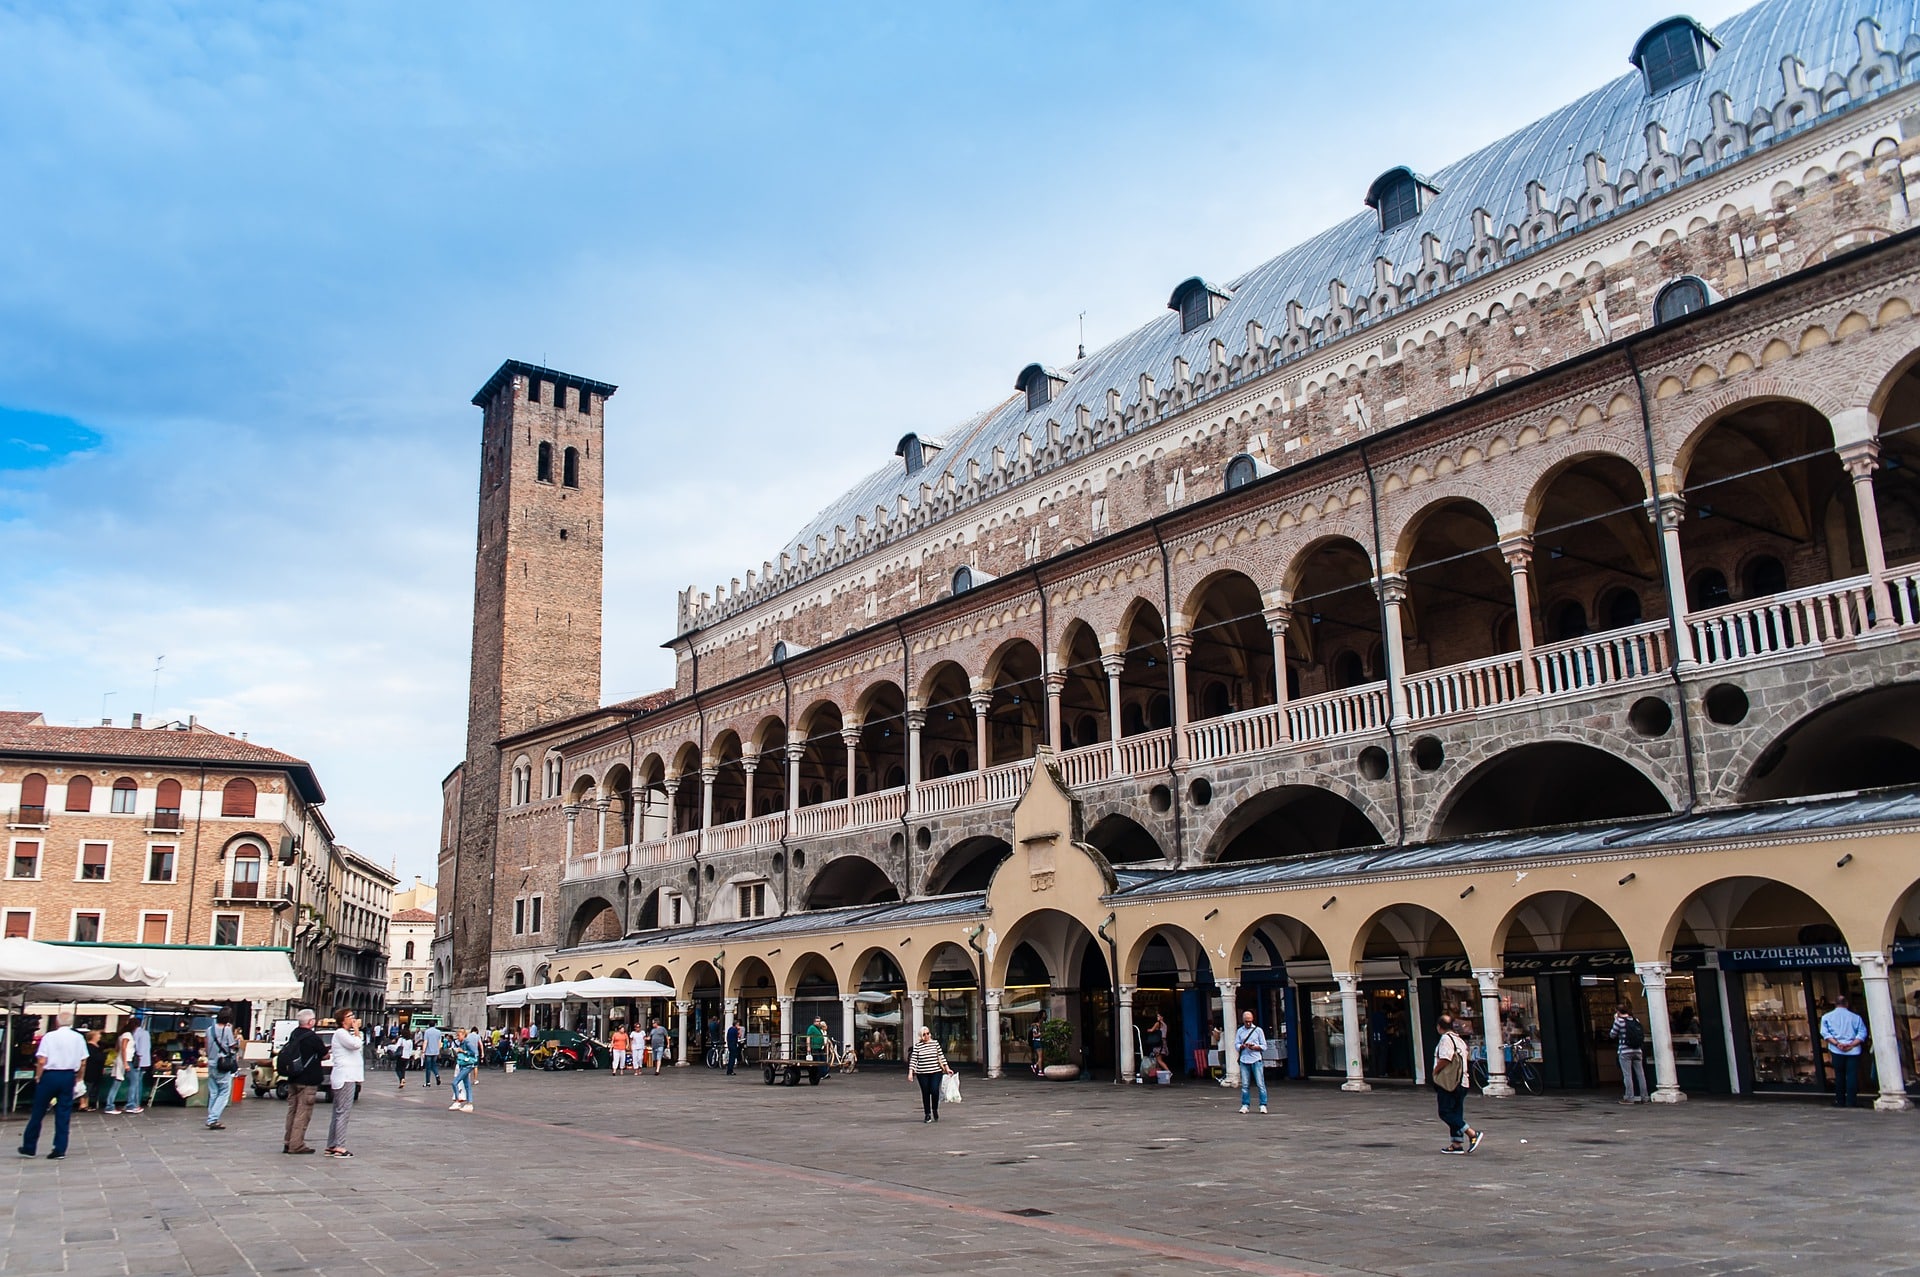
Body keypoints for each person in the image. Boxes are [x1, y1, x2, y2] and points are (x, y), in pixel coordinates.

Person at [17, 1014, 88, 1160]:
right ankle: (59, 1148)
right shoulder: (78, 1038)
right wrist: (79, 1077)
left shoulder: (49, 1037)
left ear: (56, 1022)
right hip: (68, 1075)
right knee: (64, 1113)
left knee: (38, 1111)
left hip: (50, 1075)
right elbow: (83, 1061)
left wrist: (38, 1076)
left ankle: (29, 1147)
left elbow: (42, 1060)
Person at [1431, 1013, 1483, 1155]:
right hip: (1462, 1081)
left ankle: (1472, 1133)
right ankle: (1456, 1144)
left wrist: (1435, 1072)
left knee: (1445, 1112)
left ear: (1439, 1027)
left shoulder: (1445, 1039)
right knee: (1456, 1112)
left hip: (1450, 1082)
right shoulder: (1459, 1040)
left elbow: (1446, 1058)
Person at [279, 1009, 327, 1154]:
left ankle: (288, 1141)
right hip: (308, 1079)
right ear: (311, 1022)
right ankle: (296, 1144)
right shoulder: (312, 1037)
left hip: (293, 1077)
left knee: (292, 1111)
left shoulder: (294, 1034)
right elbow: (324, 1055)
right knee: (303, 1113)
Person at [1819, 993, 1869, 1109]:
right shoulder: (1855, 1017)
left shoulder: (1827, 1017)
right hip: (1853, 1049)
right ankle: (1851, 1101)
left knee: (1839, 1075)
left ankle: (1840, 1100)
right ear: (1847, 1004)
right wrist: (1852, 1044)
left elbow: (1825, 1033)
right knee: (1852, 1075)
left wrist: (1837, 1043)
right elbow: (1862, 1033)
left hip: (1836, 1049)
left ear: (1835, 1004)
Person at [326, 1009, 365, 1157]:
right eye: (350, 1016)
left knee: (338, 1112)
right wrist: (356, 1030)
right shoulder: (341, 1033)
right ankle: (339, 1146)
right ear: (343, 1020)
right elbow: (356, 1045)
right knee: (343, 1112)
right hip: (345, 1077)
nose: (353, 1018)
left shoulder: (342, 1034)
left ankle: (331, 1145)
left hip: (345, 1076)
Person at [204, 1010, 242, 1130]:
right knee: (224, 1092)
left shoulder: (209, 1030)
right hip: (222, 1064)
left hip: (211, 1063)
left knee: (213, 1092)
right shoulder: (227, 1030)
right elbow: (232, 1046)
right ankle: (212, 1119)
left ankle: (211, 1116)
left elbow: (206, 1047)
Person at [908, 1025, 955, 1123]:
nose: (926, 1036)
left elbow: (941, 1057)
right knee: (925, 1092)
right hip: (922, 1073)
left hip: (936, 1071)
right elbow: (913, 1060)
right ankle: (927, 1114)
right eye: (924, 1034)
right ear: (921, 1036)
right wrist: (911, 1073)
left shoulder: (935, 1044)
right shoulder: (917, 1046)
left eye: (928, 1033)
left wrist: (947, 1068)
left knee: (934, 1090)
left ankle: (934, 1109)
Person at [1609, 1004, 1648, 1104]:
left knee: (1627, 1075)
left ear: (1618, 1012)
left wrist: (1615, 1020)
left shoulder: (1619, 1021)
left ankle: (1629, 1097)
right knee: (1640, 1074)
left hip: (1625, 1051)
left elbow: (1612, 1035)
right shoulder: (1636, 1020)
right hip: (1637, 1050)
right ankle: (1644, 1097)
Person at [1234, 1010, 1268, 1115]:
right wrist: (1242, 1046)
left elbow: (1264, 1046)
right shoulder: (1240, 1031)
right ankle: (1245, 1105)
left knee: (1260, 1083)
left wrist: (1255, 1047)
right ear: (1243, 1021)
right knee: (1245, 1084)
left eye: (1249, 1021)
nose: (1248, 1023)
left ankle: (1263, 1105)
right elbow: (1236, 1044)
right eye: (1246, 1021)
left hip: (1256, 1059)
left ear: (1252, 1020)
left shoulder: (1258, 1031)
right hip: (1244, 1060)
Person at [123, 1015, 150, 1114]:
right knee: (138, 1082)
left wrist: (137, 1057)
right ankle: (135, 1103)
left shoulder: (135, 1034)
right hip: (144, 1061)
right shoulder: (146, 1033)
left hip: (138, 1061)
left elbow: (138, 1048)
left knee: (136, 1083)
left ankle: (134, 1103)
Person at [449, 1029, 478, 1113]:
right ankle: (469, 1103)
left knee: (455, 1082)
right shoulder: (462, 1043)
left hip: (467, 1065)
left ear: (463, 1035)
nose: (458, 1037)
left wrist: (463, 1051)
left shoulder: (467, 1042)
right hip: (464, 1064)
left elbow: (474, 1052)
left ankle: (457, 1101)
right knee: (467, 1084)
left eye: (459, 1035)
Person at [82, 1030, 106, 1112]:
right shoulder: (89, 1047)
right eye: (98, 1035)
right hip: (90, 1069)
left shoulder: (97, 1046)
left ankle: (88, 1103)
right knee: (87, 1086)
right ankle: (83, 1104)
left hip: (97, 1069)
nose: (99, 1036)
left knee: (92, 1087)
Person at [807, 1017, 828, 1083]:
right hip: (814, 1047)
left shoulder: (818, 1028)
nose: (819, 1022)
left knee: (823, 1060)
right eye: (817, 1021)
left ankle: (823, 1073)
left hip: (819, 1047)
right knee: (818, 1061)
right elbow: (808, 1037)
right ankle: (818, 1074)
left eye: (819, 1021)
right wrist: (808, 1046)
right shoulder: (811, 1028)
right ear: (814, 1022)